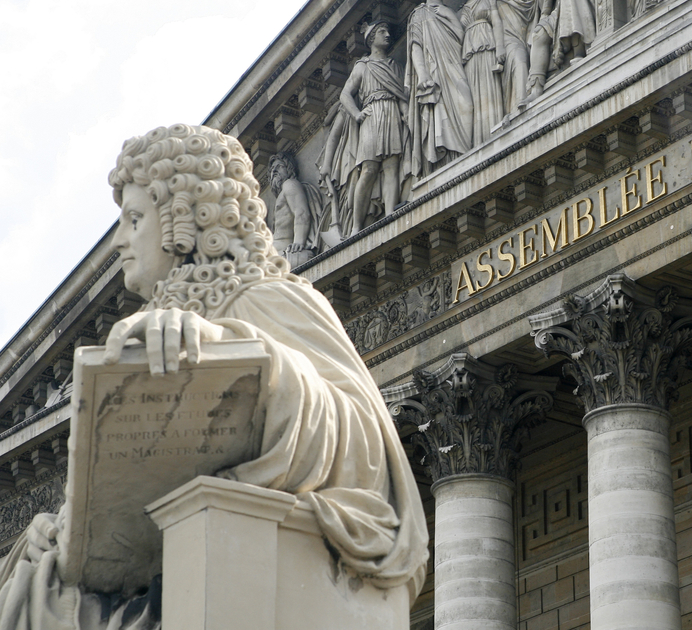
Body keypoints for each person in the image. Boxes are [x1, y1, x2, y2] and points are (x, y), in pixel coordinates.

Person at [0, 124, 429, 629]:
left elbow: (363, 448)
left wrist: (235, 354)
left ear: (183, 219)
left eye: (134, 219)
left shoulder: (265, 299)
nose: (117, 242)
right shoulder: (146, 331)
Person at [338, 21, 412, 235]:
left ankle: (390, 214)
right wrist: (357, 114)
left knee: (391, 166)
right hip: (372, 115)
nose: (387, 35)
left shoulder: (395, 66)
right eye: (382, 32)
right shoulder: (363, 66)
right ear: (371, 39)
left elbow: (400, 95)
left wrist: (405, 112)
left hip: (391, 114)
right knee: (369, 168)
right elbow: (345, 94)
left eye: (388, 31)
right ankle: (356, 226)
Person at [405, 0, 475, 177]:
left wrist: (449, 16)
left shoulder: (446, 11)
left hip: (454, 64)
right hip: (436, 72)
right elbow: (415, 47)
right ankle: (449, 159)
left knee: (467, 105)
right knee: (442, 112)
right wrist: (423, 75)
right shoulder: (419, 14)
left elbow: (463, 38)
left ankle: (466, 152)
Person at [458, 0, 507, 144]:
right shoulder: (461, 11)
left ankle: (494, 131)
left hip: (487, 46)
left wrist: (500, 46)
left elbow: (497, 21)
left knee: (489, 88)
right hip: (469, 54)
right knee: (475, 96)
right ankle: (479, 140)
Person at [267, 152, 326, 267]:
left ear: (289, 169)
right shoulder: (282, 193)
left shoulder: (290, 184)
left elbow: (301, 213)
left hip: (286, 253)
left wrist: (299, 242)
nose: (274, 171)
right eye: (272, 169)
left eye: (279, 167)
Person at [495, 0, 539, 116]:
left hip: (524, 30)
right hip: (508, 36)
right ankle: (520, 104)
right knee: (519, 60)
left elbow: (530, 5)